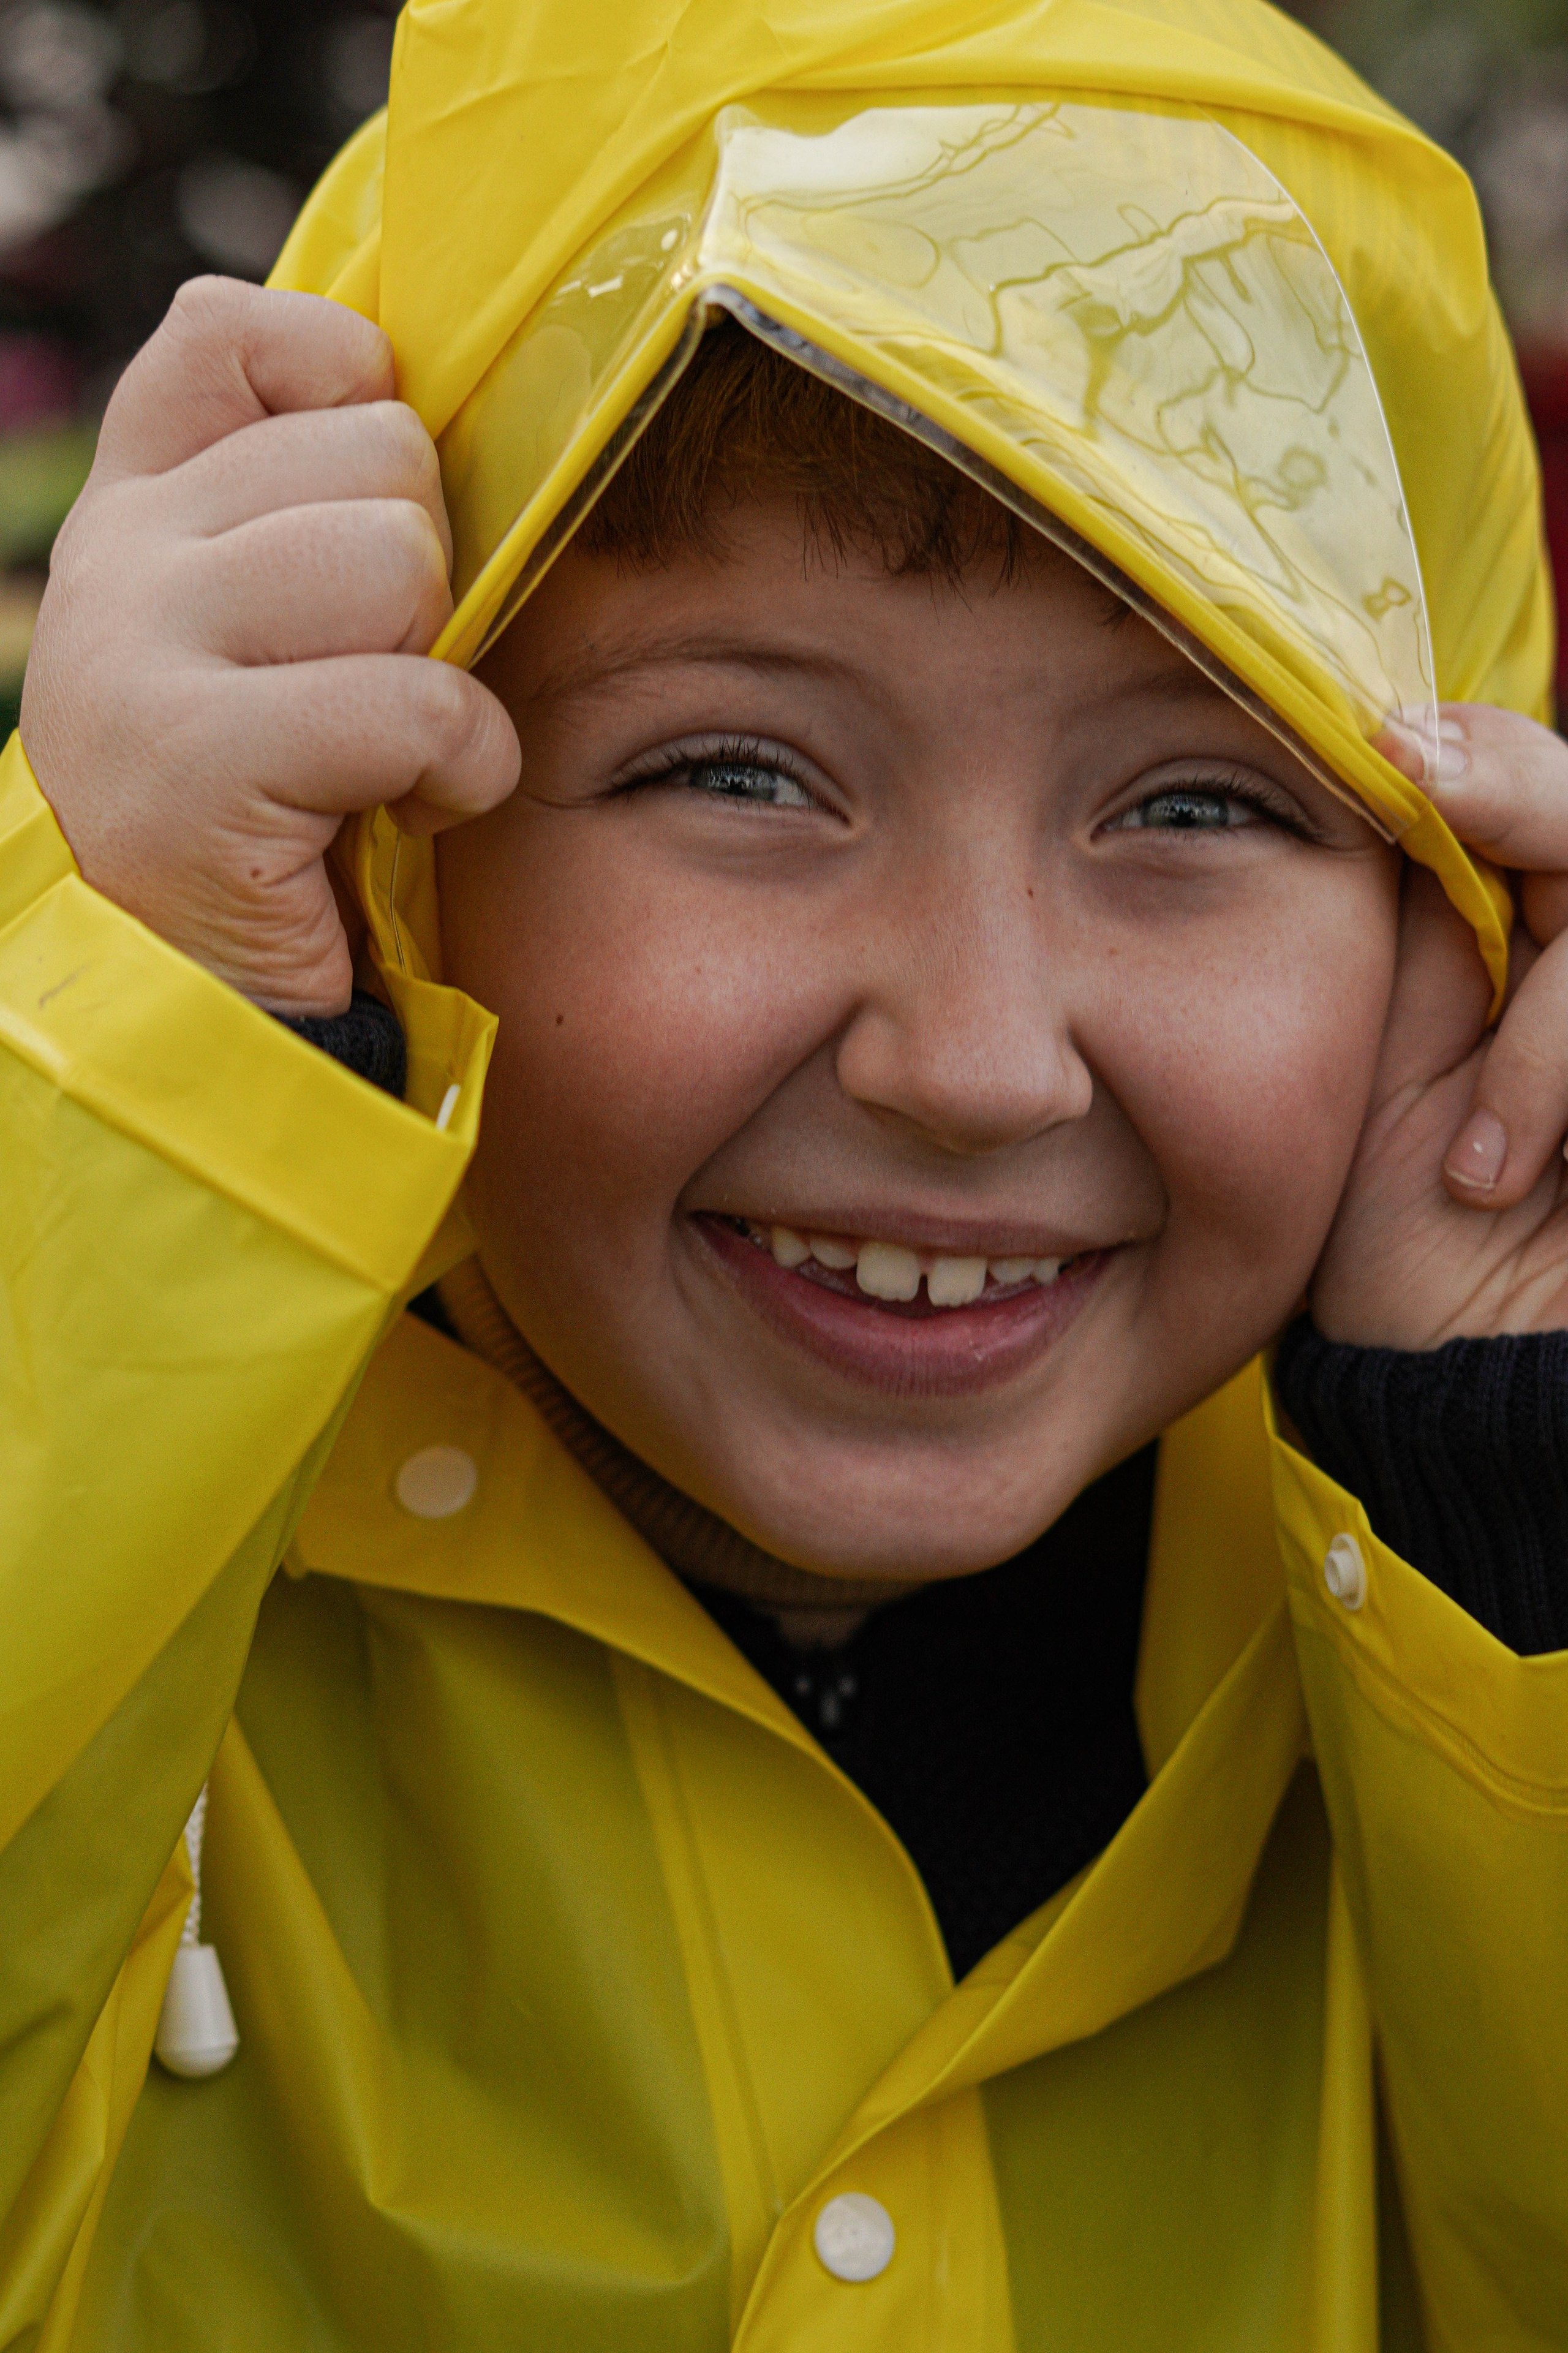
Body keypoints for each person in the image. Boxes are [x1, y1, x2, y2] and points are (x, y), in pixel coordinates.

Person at [4, 0, 1567, 2344]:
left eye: (1203, 806)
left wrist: (1504, 1511)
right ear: (376, 837)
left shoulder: (1479, 1603)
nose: (973, 1057)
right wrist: (165, 1098)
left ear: (1459, 912)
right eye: (741, 774)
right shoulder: (114, 1588)